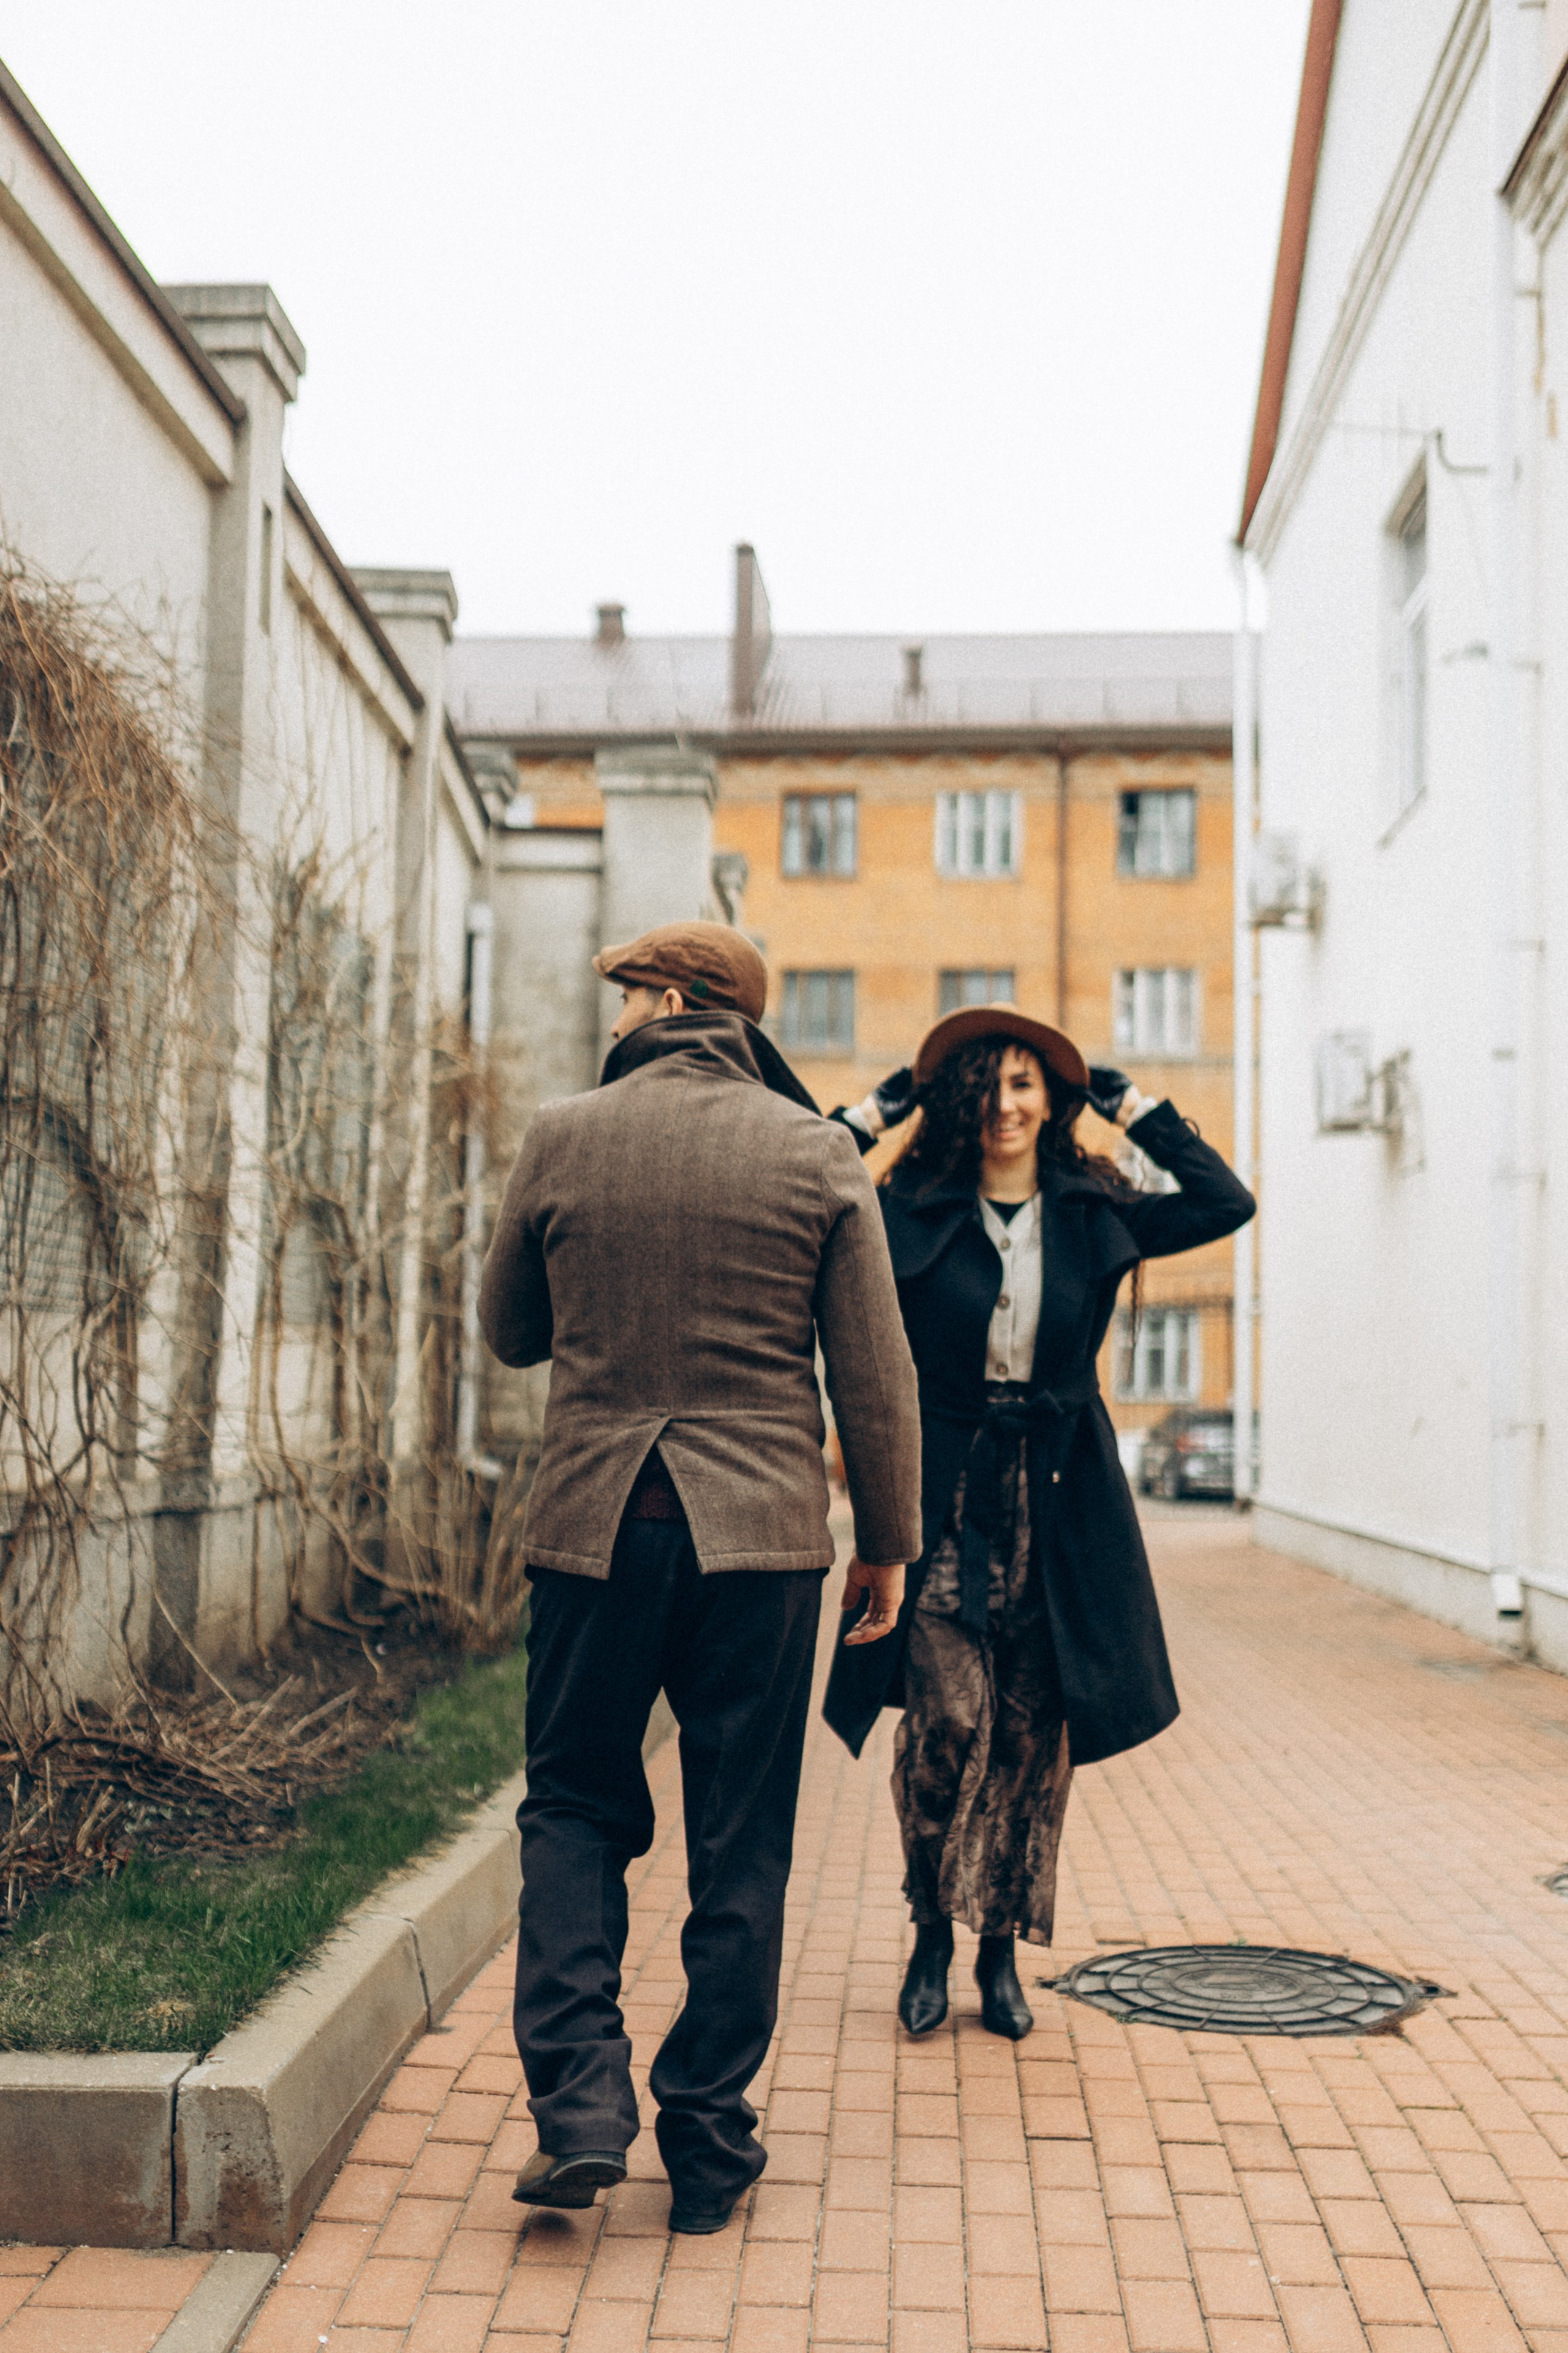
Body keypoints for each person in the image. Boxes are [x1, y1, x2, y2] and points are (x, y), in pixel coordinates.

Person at [479, 920, 921, 2235]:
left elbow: (507, 1333)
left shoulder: (564, 1131)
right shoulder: (816, 1151)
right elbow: (871, 1372)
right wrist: (886, 1542)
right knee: (742, 1836)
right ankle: (708, 2142)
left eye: (623, 997)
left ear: (672, 998)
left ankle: (577, 2114)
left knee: (571, 1805)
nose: (612, 1021)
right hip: (762, 1542)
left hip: (593, 1530)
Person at [823, 1003, 1254, 2039]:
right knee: (946, 1727)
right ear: (959, 1102)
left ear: (1051, 1098)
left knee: (1029, 1741)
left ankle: (999, 1947)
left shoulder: (1095, 1205)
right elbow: (811, 1180)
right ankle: (931, 1923)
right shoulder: (909, 1205)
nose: (1007, 1104)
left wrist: (1134, 1106)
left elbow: (1224, 1198)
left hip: (1059, 1508)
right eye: (988, 1085)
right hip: (942, 1504)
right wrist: (878, 1108)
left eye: (1026, 1083)